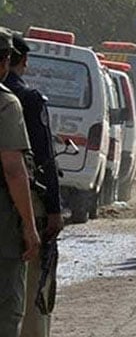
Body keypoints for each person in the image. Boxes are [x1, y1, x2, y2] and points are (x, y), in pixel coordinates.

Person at [4, 33, 64, 337]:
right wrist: (53, 210)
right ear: (21, 61)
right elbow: (40, 159)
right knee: (29, 292)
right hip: (20, 205)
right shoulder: (23, 100)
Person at [0, 27, 41, 337]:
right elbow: (14, 169)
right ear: (5, 61)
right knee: (6, 312)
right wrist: (29, 227)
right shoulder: (6, 104)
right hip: (3, 233)